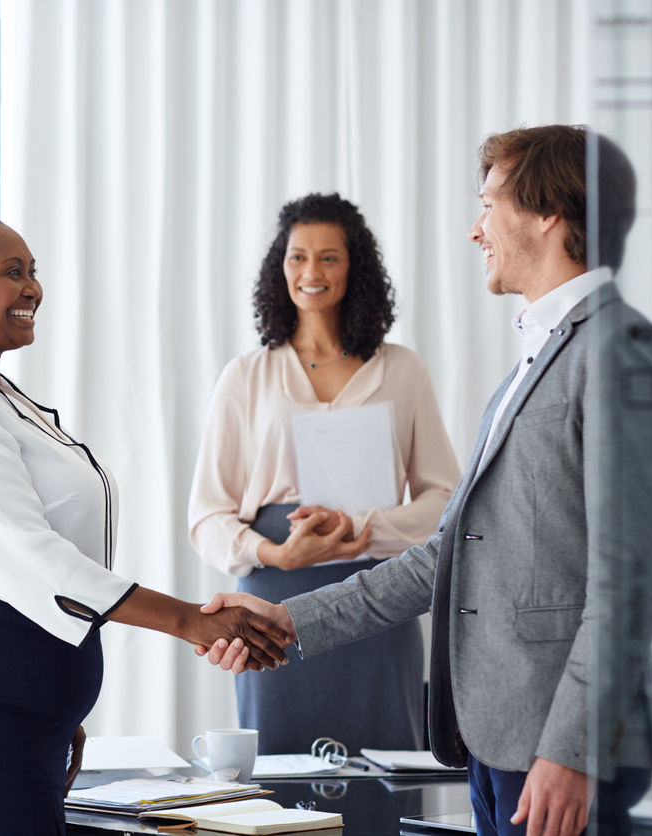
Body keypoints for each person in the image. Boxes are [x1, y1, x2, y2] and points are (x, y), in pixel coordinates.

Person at [199, 126, 652, 836]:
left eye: (489, 204)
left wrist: (572, 750)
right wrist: (289, 617)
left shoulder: (619, 352)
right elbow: (449, 553)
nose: (474, 229)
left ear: (549, 212)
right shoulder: (536, 357)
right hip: (497, 742)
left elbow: (630, 580)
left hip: (558, 756)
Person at [0, 172, 291, 836]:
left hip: (4, 709)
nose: (33, 288)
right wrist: (192, 621)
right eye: (12, 272)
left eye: (34, 270)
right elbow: (38, 564)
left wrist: (55, 710)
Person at [187, 193, 461, 753]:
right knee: (280, 773)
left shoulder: (402, 370)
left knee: (384, 771)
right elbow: (207, 515)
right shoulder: (246, 376)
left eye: (329, 257)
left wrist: (363, 529)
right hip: (273, 599)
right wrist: (277, 555)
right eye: (297, 257)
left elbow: (447, 501)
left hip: (380, 595)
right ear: (279, 267)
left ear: (354, 265)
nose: (311, 271)